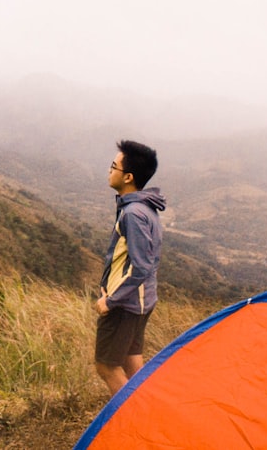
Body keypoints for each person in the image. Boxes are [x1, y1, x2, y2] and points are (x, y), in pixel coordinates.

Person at [93, 139, 166, 397]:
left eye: (114, 166)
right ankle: (150, 413)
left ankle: (134, 423)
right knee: (132, 362)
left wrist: (111, 301)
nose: (109, 171)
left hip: (126, 304)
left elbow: (141, 266)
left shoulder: (133, 213)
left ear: (128, 177)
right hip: (141, 301)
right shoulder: (145, 207)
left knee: (106, 365)